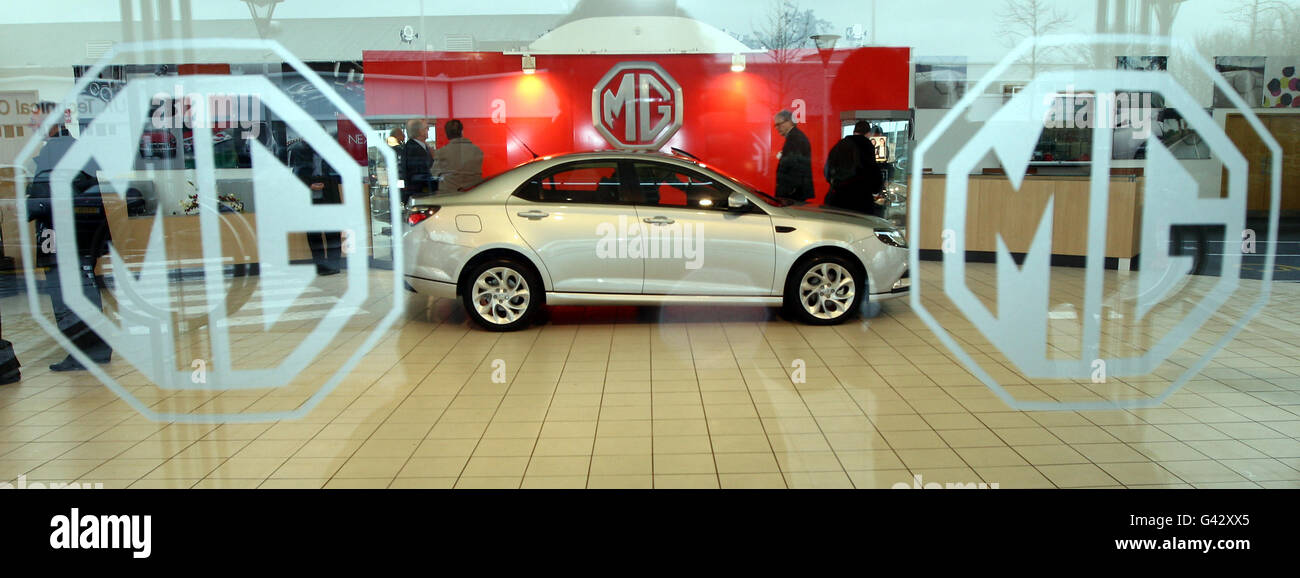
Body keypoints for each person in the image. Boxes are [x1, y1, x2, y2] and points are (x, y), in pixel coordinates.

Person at [25, 102, 114, 371]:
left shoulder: (55, 150)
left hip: (63, 234)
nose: (33, 126)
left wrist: (22, 207)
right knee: (83, 289)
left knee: (67, 293)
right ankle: (93, 349)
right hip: (82, 233)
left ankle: (86, 350)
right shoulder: (74, 147)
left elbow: (47, 197)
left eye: (36, 120)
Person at [287, 129, 344, 276]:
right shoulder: (298, 150)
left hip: (329, 193)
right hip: (310, 195)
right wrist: (309, 184)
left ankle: (334, 264)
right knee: (314, 233)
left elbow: (338, 171)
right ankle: (319, 265)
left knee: (333, 231)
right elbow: (295, 174)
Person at [823, 120, 885, 217]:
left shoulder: (839, 145)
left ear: (854, 131)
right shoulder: (867, 147)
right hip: (861, 202)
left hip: (837, 200)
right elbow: (874, 177)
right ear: (868, 134)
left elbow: (827, 172)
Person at [432, 119, 484, 193]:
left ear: (447, 134)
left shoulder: (441, 153)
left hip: (448, 196)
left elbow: (434, 175)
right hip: (472, 194)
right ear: (462, 132)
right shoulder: (477, 151)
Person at [773, 110, 814, 202]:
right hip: (795, 192)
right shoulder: (796, 136)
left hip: (792, 194)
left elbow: (794, 166)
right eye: (776, 125)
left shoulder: (794, 138)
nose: (777, 128)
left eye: (779, 124)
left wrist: (789, 191)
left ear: (790, 122)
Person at [400, 119, 436, 206]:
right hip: (420, 197)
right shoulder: (413, 149)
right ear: (420, 131)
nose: (428, 130)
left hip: (421, 196)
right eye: (426, 128)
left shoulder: (420, 147)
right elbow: (420, 175)